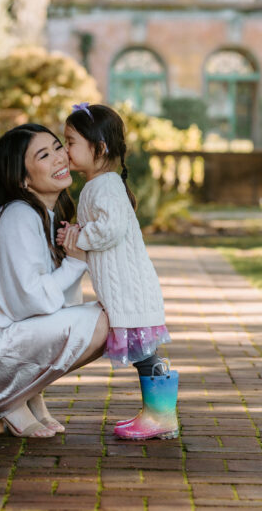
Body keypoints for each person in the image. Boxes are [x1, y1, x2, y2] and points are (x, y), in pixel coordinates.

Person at [0, 123, 109, 438]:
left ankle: (27, 398)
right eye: (44, 155)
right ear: (23, 179)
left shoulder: (41, 215)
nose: (60, 158)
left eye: (59, 147)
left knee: (104, 319)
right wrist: (74, 263)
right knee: (104, 322)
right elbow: (32, 304)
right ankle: (5, 401)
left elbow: (60, 307)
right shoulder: (19, 216)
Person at [58, 103, 179, 440]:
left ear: (99, 148)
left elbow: (108, 228)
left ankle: (162, 416)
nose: (64, 149)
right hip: (124, 289)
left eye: (70, 142)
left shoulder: (105, 186)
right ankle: (156, 414)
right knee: (144, 354)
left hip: (129, 289)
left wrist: (79, 235)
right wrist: (78, 232)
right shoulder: (100, 185)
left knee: (145, 355)